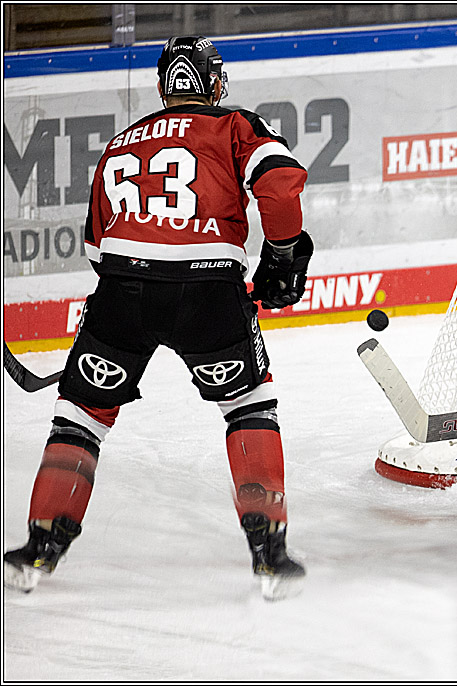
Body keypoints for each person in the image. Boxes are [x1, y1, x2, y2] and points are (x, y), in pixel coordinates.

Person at [3, 36, 313, 600]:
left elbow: (97, 248)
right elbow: (279, 182)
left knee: (80, 418)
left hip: (123, 292)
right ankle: (269, 552)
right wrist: (284, 253)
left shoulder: (121, 142)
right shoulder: (233, 125)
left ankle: (38, 548)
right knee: (247, 406)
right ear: (207, 81)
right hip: (207, 293)